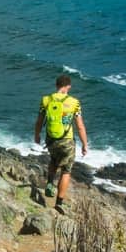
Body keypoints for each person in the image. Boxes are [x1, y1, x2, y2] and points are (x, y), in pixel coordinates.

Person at [34, 74, 88, 214]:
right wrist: (84, 144)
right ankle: (59, 203)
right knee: (66, 170)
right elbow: (80, 126)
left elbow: (40, 121)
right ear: (68, 86)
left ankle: (50, 183)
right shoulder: (74, 103)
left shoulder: (46, 100)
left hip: (51, 140)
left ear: (56, 85)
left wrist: (37, 135)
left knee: (53, 160)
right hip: (67, 141)